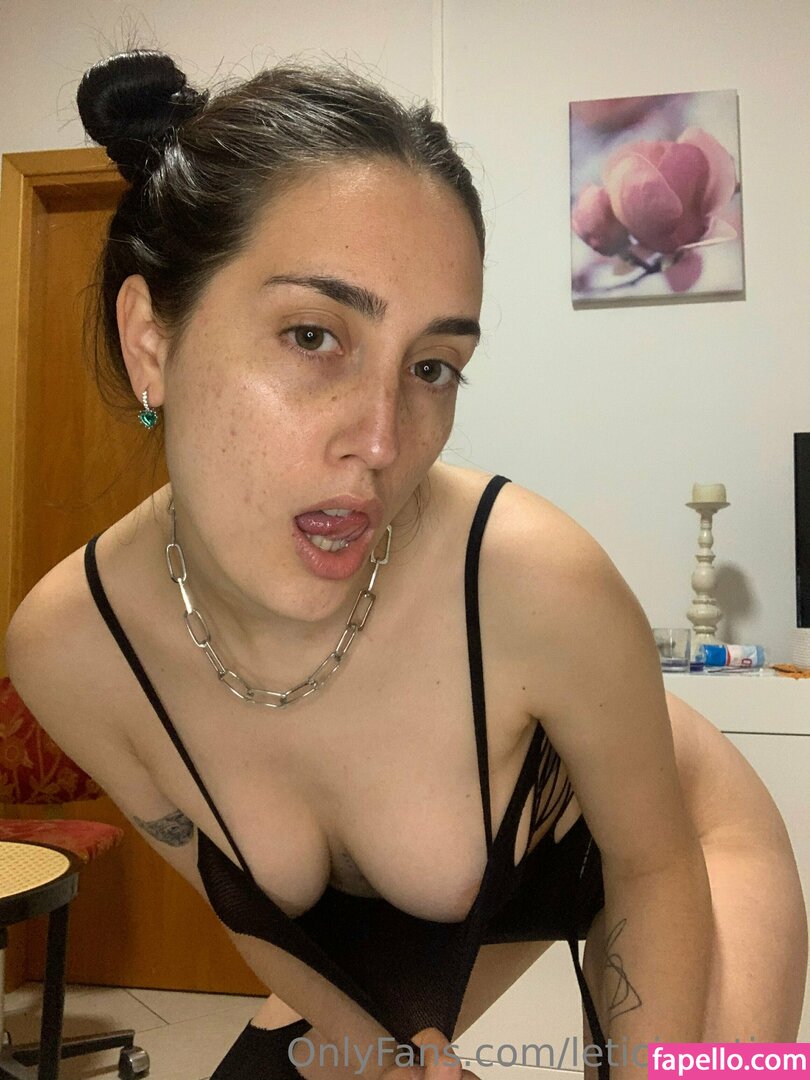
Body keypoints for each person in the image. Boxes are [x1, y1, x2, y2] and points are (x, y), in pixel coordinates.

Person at [4, 48, 806, 1080]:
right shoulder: (73, 650)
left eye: (433, 366)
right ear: (151, 340)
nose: (383, 442)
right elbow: (252, 916)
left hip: (677, 849)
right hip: (420, 923)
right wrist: (391, 1055)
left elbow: (654, 868)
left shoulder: (537, 577)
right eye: (312, 335)